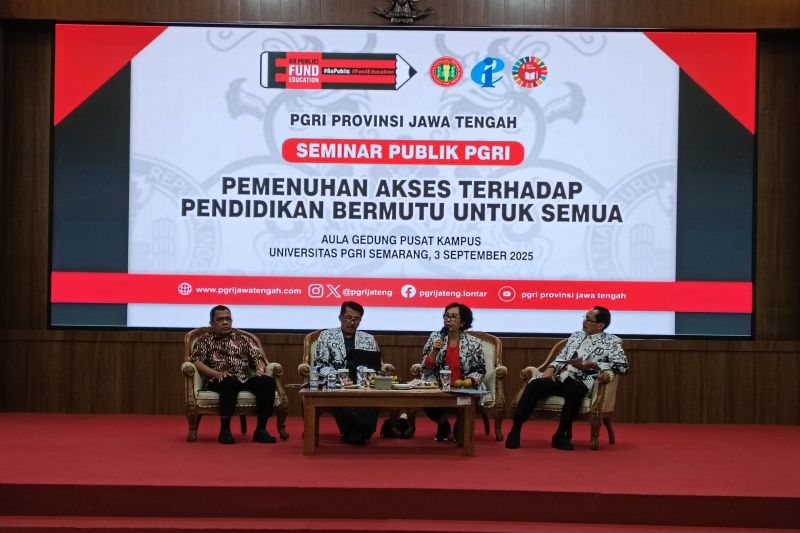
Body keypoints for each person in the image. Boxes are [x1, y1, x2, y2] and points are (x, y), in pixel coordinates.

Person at [505, 306, 629, 450]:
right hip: (560, 377)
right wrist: (551, 368)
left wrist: (593, 364)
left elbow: (623, 367)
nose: (584, 322)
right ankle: (515, 432)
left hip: (582, 381)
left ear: (600, 325)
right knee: (535, 385)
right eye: (584, 318)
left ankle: (560, 435)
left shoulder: (612, 341)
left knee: (575, 390)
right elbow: (562, 356)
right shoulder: (576, 336)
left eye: (588, 319)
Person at [190, 305, 277, 445]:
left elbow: (258, 359)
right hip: (219, 379)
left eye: (228, 319)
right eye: (220, 319)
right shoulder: (204, 340)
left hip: (244, 378)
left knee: (267, 382)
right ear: (211, 323)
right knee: (230, 382)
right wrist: (216, 373)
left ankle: (261, 430)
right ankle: (225, 430)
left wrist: (260, 370)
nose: (225, 322)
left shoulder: (243, 338)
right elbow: (197, 362)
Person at [314, 301, 381, 445]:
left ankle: (358, 431)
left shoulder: (368, 338)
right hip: (335, 379)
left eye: (356, 319)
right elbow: (320, 364)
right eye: (348, 318)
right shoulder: (327, 335)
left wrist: (384, 367)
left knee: (373, 391)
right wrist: (340, 377)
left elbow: (375, 365)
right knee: (339, 390)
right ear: (340, 317)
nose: (352, 322)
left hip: (362, 380)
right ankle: (357, 430)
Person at [420, 302, 486, 441]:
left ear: (463, 322)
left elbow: (480, 368)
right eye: (446, 316)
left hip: (463, 386)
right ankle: (443, 423)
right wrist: (434, 350)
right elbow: (426, 368)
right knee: (422, 396)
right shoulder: (435, 337)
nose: (448, 319)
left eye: (453, 316)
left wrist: (470, 381)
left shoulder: (474, 343)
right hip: (437, 385)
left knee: (469, 399)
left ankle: (460, 424)